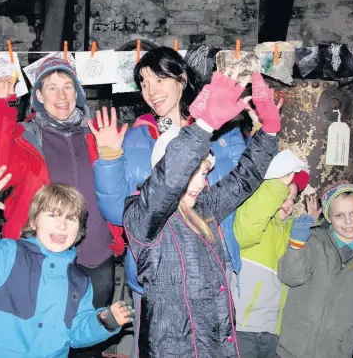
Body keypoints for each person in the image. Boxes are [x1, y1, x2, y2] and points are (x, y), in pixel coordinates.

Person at [90, 47, 246, 356]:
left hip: (215, 260)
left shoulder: (222, 130)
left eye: (158, 79)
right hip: (159, 273)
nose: (150, 91)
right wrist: (108, 157)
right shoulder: (136, 138)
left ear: (182, 78)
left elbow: (243, 185)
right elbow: (117, 212)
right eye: (144, 83)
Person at [118, 71, 280, 357]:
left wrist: (269, 132)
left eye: (204, 172)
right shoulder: (143, 217)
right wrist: (203, 125)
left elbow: (244, 180)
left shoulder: (202, 206)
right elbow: (170, 179)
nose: (200, 183)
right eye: (193, 173)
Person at [0, 164, 133, 358]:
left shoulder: (80, 282)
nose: (61, 225)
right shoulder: (7, 255)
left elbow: (76, 334)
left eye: (71, 219)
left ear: (80, 230)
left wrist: (103, 321)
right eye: (52, 215)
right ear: (34, 221)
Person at [0, 60, 116, 325]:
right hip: (40, 255)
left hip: (95, 253)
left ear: (77, 93)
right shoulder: (24, 135)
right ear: (39, 96)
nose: (62, 96)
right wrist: (0, 110)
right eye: (52, 88)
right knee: (43, 331)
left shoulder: (98, 134)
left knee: (90, 331)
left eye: (68, 87)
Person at [231, 150, 320, 358]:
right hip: (242, 327)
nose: (288, 204)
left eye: (293, 198)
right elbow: (249, 224)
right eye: (283, 195)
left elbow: (297, 268)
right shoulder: (252, 219)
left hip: (273, 331)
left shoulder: (287, 230)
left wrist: (309, 224)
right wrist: (275, 185)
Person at [276, 182, 353, 358]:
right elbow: (291, 277)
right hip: (294, 347)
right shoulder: (314, 240)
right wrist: (296, 246)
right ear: (329, 217)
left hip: (336, 350)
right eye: (339, 215)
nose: (348, 221)